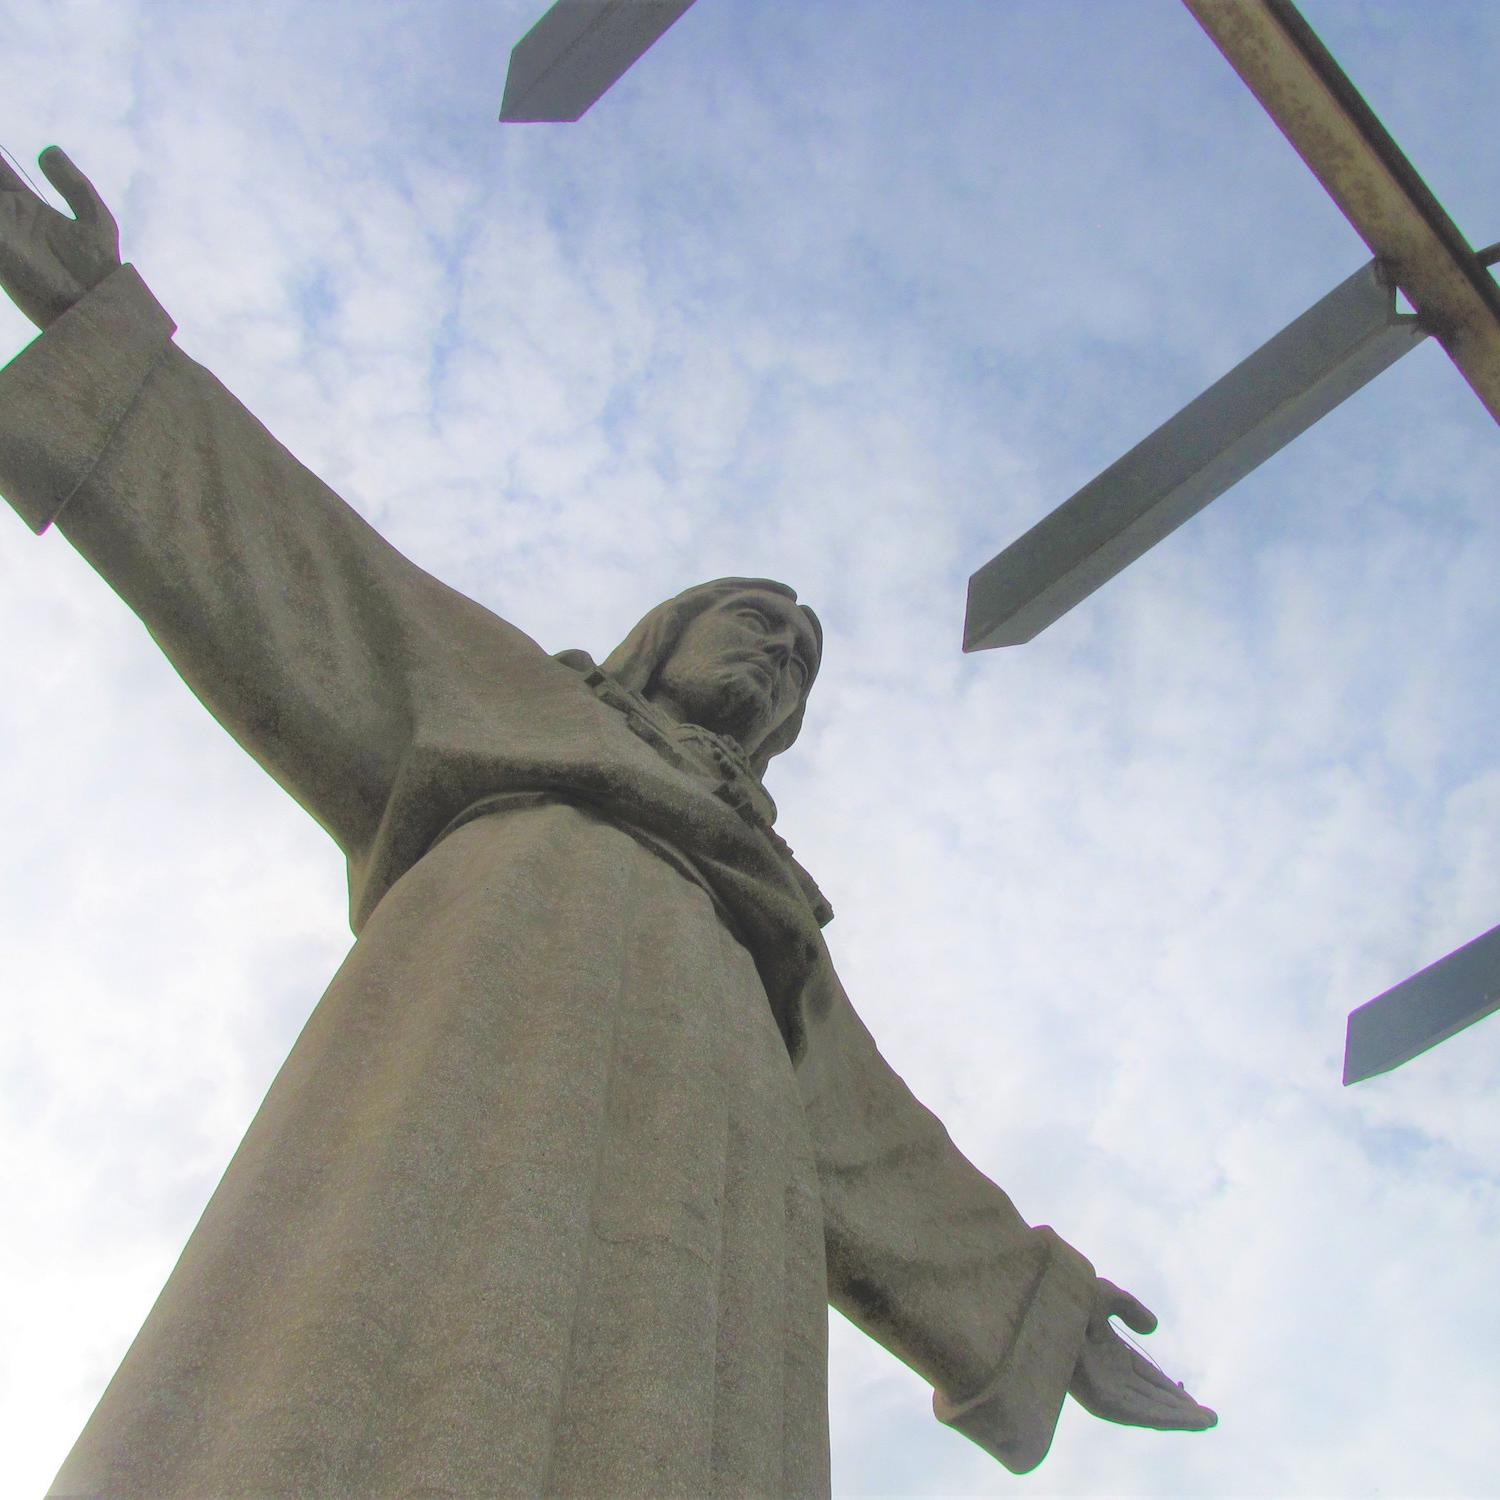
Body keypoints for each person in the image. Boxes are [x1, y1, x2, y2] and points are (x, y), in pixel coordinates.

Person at [0, 146, 1215, 1499]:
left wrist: (1040, 1310)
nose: (776, 664)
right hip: (493, 988)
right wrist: (107, 338)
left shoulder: (768, 914)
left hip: (715, 1152)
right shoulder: (512, 701)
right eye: (755, 626)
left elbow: (870, 1139)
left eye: (800, 667)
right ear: (665, 632)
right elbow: (308, 561)